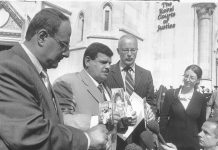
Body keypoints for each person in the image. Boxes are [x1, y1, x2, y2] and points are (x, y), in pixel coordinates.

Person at [0, 8, 108, 150]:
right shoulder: (9, 67)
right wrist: (87, 139)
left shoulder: (37, 68)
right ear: (42, 37)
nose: (67, 53)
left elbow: (52, 121)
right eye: (63, 45)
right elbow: (30, 134)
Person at [53, 42, 137, 149]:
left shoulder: (107, 89)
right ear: (88, 61)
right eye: (103, 62)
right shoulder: (67, 82)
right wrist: (98, 119)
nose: (108, 67)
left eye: (109, 63)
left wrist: (123, 122)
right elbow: (61, 121)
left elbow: (111, 124)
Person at [106, 34, 155, 149]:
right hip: (116, 135)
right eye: (125, 50)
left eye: (133, 50)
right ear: (118, 51)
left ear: (137, 51)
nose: (129, 54)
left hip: (140, 135)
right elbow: (103, 101)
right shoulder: (108, 73)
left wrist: (150, 113)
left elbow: (151, 102)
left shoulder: (146, 75)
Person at [160, 64, 206, 150]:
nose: (187, 79)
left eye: (192, 77)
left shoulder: (201, 98)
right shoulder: (171, 94)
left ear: (198, 80)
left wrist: (202, 142)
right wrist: (162, 138)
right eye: (186, 76)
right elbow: (163, 117)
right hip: (171, 140)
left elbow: (201, 122)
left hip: (192, 142)